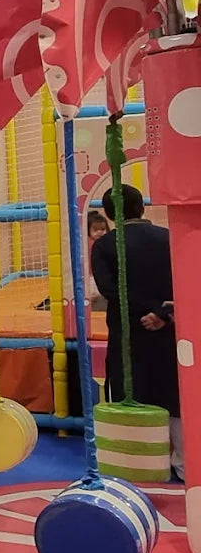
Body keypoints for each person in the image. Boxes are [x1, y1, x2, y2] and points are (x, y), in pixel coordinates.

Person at [91, 184, 181, 478]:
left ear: (109, 214)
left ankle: (133, 463)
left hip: (128, 329)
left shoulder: (105, 245)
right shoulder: (168, 237)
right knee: (172, 390)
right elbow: (183, 279)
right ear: (142, 208)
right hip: (168, 327)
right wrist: (162, 313)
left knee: (129, 389)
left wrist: (150, 309)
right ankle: (183, 463)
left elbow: (110, 289)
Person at [86, 210, 109, 308]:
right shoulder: (87, 242)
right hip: (90, 276)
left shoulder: (107, 242)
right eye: (95, 230)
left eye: (102, 229)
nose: (99, 232)